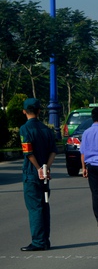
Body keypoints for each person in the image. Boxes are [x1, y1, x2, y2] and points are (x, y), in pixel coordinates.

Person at [19, 98, 57, 251]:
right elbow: (53, 151)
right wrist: (46, 168)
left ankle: (38, 241)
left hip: (31, 173)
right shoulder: (46, 129)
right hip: (44, 174)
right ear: (39, 111)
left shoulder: (25, 129)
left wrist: (38, 168)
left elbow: (28, 152)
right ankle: (45, 240)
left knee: (35, 208)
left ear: (24, 112)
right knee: (44, 206)